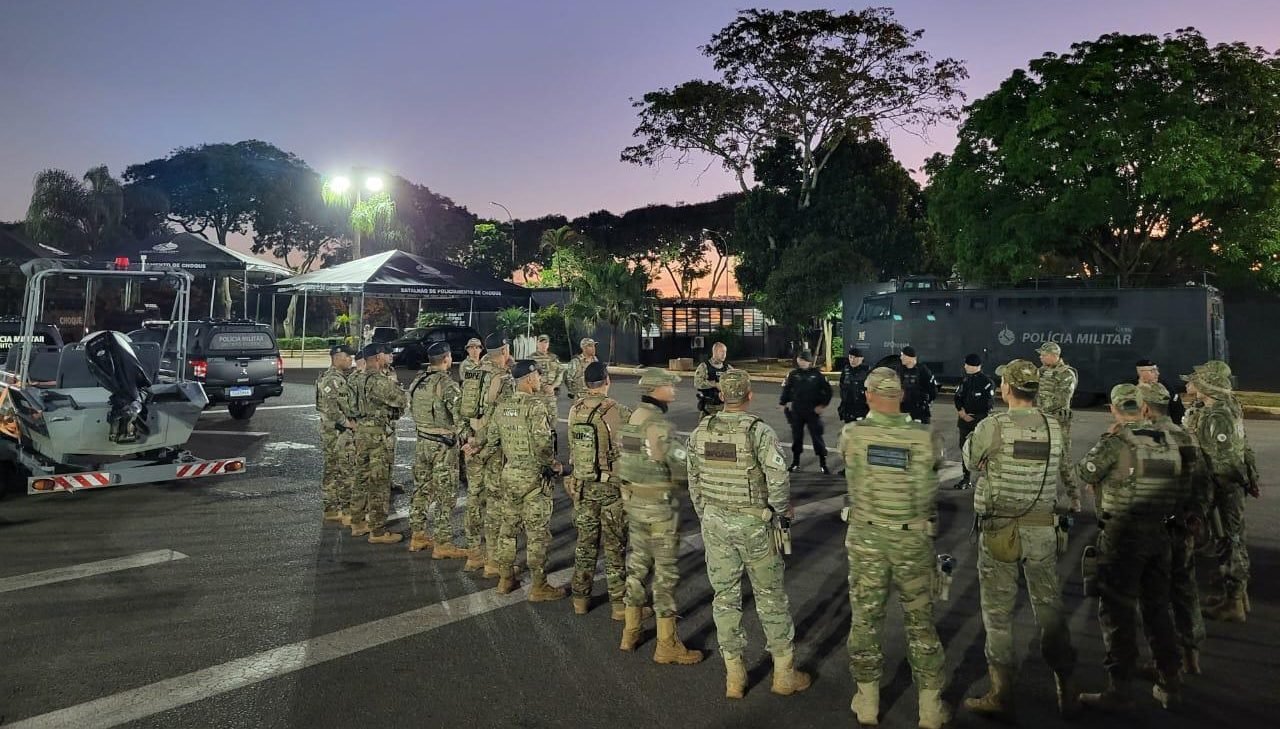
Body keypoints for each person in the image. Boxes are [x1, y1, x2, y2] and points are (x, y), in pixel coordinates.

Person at [961, 359, 1078, 720]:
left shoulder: (993, 425)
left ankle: (1002, 692)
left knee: (998, 613)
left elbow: (969, 461)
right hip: (1043, 530)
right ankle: (1067, 687)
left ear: (1007, 389)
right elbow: (1064, 467)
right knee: (1050, 608)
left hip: (1000, 531)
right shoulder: (1054, 426)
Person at [687, 370, 810, 700]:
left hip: (715, 525)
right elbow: (778, 478)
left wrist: (709, 515)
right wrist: (780, 511)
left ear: (722, 395)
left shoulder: (702, 431)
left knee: (725, 596)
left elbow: (694, 481)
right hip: (755, 525)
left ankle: (734, 676)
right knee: (769, 595)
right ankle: (784, 674)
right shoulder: (759, 431)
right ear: (749, 395)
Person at [841, 367, 949, 729]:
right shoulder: (924, 437)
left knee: (867, 620)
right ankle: (930, 709)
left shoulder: (852, 434)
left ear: (869, 395)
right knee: (920, 623)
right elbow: (934, 477)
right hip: (913, 540)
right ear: (900, 396)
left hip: (867, 541)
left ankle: (868, 701)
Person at [1075, 385, 1189, 711]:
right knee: (1157, 611)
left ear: (1113, 409)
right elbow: (1181, 489)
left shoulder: (1116, 442)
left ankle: (1119, 690)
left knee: (1118, 613)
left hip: (1122, 537)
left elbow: (1086, 470)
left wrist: (1106, 441)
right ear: (1143, 409)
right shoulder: (1169, 442)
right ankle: (1170, 682)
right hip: (1159, 536)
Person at [617, 368, 703, 665]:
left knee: (638, 564)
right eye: (669, 386)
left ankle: (631, 631)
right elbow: (681, 467)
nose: (674, 391)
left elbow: (626, 460)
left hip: (635, 502)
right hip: (659, 507)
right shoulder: (658, 424)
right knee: (665, 575)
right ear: (656, 389)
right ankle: (667, 643)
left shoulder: (633, 418)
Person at [475, 359, 568, 600]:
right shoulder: (535, 406)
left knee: (508, 530)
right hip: (534, 479)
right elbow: (543, 444)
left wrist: (475, 451)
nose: (540, 379)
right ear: (528, 379)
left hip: (509, 476)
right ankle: (539, 585)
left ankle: (506, 578)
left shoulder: (502, 406)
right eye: (537, 375)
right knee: (537, 534)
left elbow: (492, 441)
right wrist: (553, 465)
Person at [1139, 381, 1209, 674]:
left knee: (1155, 597)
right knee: (1185, 590)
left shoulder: (1142, 439)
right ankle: (1192, 656)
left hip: (1154, 531)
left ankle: (1163, 661)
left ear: (1144, 407)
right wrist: (1197, 516)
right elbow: (1203, 483)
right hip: (1182, 528)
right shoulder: (1186, 437)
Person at [1190, 361, 1258, 623]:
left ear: (1208, 385)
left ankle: (1234, 602)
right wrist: (1251, 475)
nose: (1193, 384)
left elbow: (1218, 461)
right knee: (1233, 539)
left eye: (1198, 380)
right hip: (1232, 483)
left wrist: (1202, 501)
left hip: (1222, 487)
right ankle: (1238, 596)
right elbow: (1244, 446)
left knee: (1230, 541)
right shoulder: (1229, 406)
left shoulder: (1216, 414)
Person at [566, 362, 631, 616]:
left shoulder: (574, 411)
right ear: (607, 381)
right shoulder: (619, 412)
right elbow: (634, 451)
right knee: (614, 547)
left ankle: (580, 599)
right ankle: (618, 604)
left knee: (585, 544)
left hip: (583, 487)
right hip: (611, 488)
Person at [405, 341, 470, 559]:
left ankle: (418, 534)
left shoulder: (418, 381)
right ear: (447, 358)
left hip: (422, 441)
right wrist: (470, 440)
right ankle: (443, 543)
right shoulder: (447, 384)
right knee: (446, 494)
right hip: (443, 445)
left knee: (421, 489)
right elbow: (460, 416)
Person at [461, 333, 515, 575]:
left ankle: (474, 554)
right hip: (492, 448)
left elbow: (462, 408)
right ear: (504, 351)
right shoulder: (503, 378)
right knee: (495, 502)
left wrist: (469, 439)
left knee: (474, 499)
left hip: (472, 441)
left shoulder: (471, 372)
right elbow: (504, 420)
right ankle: (493, 561)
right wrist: (484, 443)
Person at [349, 343, 407, 544]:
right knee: (379, 483)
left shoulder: (355, 379)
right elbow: (401, 401)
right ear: (377, 357)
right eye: (383, 354)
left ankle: (357, 522)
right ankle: (378, 530)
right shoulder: (380, 382)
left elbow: (349, 406)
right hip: (378, 436)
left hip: (361, 433)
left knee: (360, 478)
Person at [315, 344, 358, 524]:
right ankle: (346, 511)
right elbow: (330, 407)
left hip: (332, 431)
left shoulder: (337, 377)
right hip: (337, 432)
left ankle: (332, 508)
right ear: (338, 357)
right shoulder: (332, 379)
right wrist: (347, 423)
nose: (351, 360)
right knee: (344, 470)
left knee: (333, 469)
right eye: (348, 357)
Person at [780, 350, 832, 474]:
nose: (802, 362)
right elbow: (787, 389)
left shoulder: (817, 375)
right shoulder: (793, 374)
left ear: (809, 362)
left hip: (812, 411)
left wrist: (822, 405)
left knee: (817, 437)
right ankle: (795, 463)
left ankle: (823, 464)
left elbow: (828, 391)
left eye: (804, 360)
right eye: (800, 359)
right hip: (797, 410)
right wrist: (783, 402)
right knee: (797, 437)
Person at [1035, 342, 1078, 492]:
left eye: (1043, 355)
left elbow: (1062, 400)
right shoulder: (1041, 371)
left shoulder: (1066, 374)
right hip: (1041, 421)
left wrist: (1040, 410)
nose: (1040, 357)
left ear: (1054, 356)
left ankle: (1074, 496)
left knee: (1063, 461)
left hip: (1058, 422)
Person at [954, 353, 995, 490]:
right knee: (964, 449)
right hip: (965, 421)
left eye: (967, 364)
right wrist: (962, 413)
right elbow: (957, 398)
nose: (965, 366)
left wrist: (976, 417)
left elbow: (988, 404)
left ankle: (987, 479)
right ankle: (966, 479)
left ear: (973, 366)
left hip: (980, 422)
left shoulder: (987, 383)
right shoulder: (965, 381)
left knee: (983, 451)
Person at [894, 346, 938, 424]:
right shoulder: (900, 370)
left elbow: (932, 391)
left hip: (920, 412)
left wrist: (926, 402)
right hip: (903, 411)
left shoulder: (923, 370)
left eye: (902, 355)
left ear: (909, 357)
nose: (901, 358)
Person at [1136, 359, 1185, 425]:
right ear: (1140, 372)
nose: (1158, 373)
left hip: (1164, 424)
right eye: (1152, 371)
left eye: (1157, 370)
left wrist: (1176, 425)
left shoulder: (1165, 386)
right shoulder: (1131, 387)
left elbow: (1176, 406)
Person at [694, 342, 733, 418]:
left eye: (725, 352)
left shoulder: (728, 368)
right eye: (721, 352)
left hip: (725, 408)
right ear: (714, 352)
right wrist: (715, 384)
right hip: (709, 408)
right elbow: (697, 383)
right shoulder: (704, 367)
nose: (724, 354)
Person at [837, 346, 869, 423]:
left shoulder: (867, 371)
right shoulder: (846, 370)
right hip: (848, 410)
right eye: (850, 357)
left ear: (861, 358)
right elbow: (842, 385)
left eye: (855, 358)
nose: (852, 360)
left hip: (862, 410)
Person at [564, 337, 598, 401]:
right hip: (580, 397)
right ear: (584, 348)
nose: (593, 348)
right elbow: (568, 378)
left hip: (594, 395)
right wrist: (573, 393)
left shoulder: (595, 360)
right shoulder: (576, 361)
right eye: (590, 346)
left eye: (594, 346)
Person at [530, 334, 564, 399]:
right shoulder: (531, 358)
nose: (543, 345)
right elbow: (527, 377)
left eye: (546, 342)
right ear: (537, 344)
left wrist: (553, 386)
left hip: (551, 394)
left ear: (548, 344)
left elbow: (560, 374)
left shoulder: (554, 358)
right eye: (541, 342)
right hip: (536, 394)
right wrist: (542, 386)